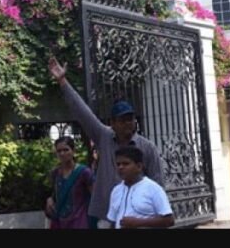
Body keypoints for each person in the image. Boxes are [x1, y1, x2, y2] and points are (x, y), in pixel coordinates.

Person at [48, 57, 163, 229]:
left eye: (130, 119)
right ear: (113, 123)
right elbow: (82, 113)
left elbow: (157, 184)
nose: (127, 123)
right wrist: (63, 82)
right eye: (122, 120)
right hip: (105, 216)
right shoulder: (104, 136)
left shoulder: (147, 148)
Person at [105, 146, 174, 229]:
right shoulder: (116, 191)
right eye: (118, 164)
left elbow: (169, 220)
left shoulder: (153, 189)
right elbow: (112, 221)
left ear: (139, 167)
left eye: (125, 164)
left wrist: (138, 222)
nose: (120, 167)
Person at [44, 136, 94, 229]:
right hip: (59, 222)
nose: (62, 153)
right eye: (59, 151)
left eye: (66, 150)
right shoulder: (55, 173)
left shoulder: (84, 172)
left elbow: (95, 197)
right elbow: (56, 194)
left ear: (73, 151)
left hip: (80, 222)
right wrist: (50, 200)